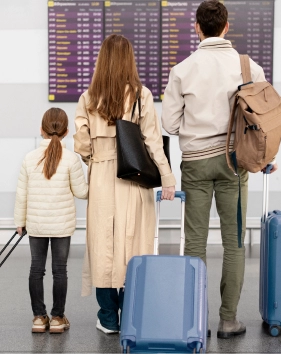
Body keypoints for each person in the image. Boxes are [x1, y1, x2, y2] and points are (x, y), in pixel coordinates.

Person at [161, 0, 277, 339]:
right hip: (234, 161)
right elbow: (265, 117)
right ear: (227, 27)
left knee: (194, 241)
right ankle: (228, 320)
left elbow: (169, 123)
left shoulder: (182, 69)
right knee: (234, 242)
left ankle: (195, 320)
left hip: (195, 162)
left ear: (197, 27)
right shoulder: (248, 67)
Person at [74, 34, 176, 334]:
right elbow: (153, 142)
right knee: (134, 244)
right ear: (129, 59)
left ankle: (108, 318)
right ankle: (131, 313)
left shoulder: (89, 97)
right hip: (134, 178)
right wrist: (167, 178)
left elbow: (81, 144)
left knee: (102, 243)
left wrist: (97, 156)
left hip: (103, 176)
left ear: (101, 60)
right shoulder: (142, 95)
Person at [14, 108, 88, 334]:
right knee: (59, 271)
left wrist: (20, 221)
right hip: (61, 225)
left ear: (41, 130)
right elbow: (82, 192)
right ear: (66, 131)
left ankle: (38, 318)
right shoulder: (71, 158)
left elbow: (22, 193)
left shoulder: (29, 158)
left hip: (35, 223)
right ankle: (57, 318)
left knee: (36, 269)